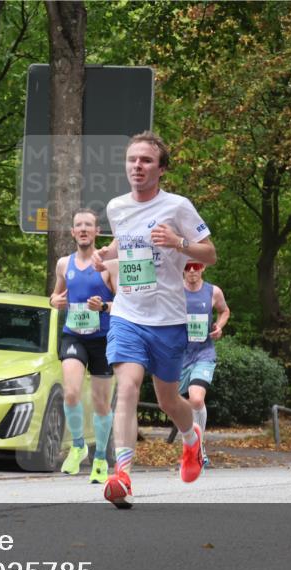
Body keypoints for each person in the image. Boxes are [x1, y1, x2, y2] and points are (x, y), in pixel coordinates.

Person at [92, 131, 217, 508]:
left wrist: (178, 243)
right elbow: (124, 241)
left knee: (168, 400)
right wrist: (105, 253)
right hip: (128, 314)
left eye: (146, 160)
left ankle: (190, 437)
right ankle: (123, 474)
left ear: (160, 169)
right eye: (132, 160)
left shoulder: (177, 207)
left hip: (168, 320)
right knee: (127, 388)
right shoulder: (116, 207)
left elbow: (209, 254)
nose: (137, 166)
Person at [50, 209, 117, 483]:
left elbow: (123, 304)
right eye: (79, 225)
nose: (84, 229)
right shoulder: (64, 264)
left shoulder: (108, 266)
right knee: (71, 392)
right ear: (73, 232)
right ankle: (78, 445)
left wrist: (102, 305)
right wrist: (54, 301)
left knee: (101, 404)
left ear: (97, 231)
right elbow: (55, 294)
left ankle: (99, 457)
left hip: (102, 339)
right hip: (74, 335)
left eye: (89, 225)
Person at [180, 262, 230, 468]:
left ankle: (198, 449)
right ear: (182, 269)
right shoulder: (173, 291)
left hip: (204, 353)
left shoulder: (213, 291)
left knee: (197, 398)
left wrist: (219, 326)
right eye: (187, 266)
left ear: (203, 268)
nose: (192, 270)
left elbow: (224, 311)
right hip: (178, 356)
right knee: (175, 403)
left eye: (196, 265)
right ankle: (190, 441)